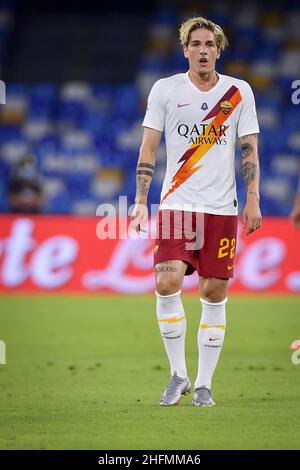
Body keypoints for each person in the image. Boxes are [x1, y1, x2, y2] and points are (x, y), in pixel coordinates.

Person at [131, 16, 262, 407]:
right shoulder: (166, 89)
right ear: (185, 49)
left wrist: (253, 196)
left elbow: (249, 149)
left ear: (218, 50)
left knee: (214, 291)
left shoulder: (238, 92)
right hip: (177, 205)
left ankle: (203, 383)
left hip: (221, 208)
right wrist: (139, 201)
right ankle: (178, 375)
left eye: (209, 44)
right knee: (166, 283)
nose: (203, 50)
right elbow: (149, 148)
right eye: (195, 44)